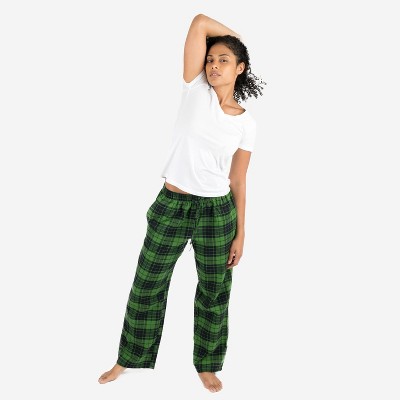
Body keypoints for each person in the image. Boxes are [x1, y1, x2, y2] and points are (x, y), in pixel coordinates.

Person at [98, 13, 265, 393]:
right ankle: (129, 358)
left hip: (217, 212)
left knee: (214, 290)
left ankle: (208, 364)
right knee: (147, 284)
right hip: (172, 206)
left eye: (224, 60)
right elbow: (200, 22)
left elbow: (238, 180)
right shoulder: (195, 89)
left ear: (240, 68)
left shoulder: (246, 124)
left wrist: (241, 233)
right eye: (211, 59)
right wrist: (237, 39)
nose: (214, 65)